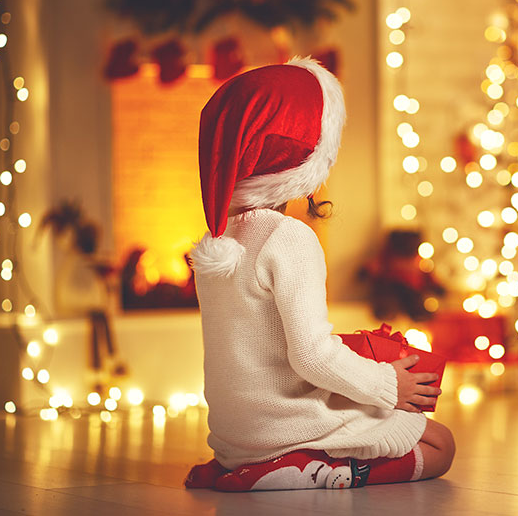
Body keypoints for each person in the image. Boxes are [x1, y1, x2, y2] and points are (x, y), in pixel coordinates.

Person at [183, 58, 454, 491]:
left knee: (398, 423)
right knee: (440, 445)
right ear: (304, 158)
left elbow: (261, 347)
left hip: (235, 435)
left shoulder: (216, 241)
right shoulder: (288, 237)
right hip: (284, 425)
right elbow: (311, 357)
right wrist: (389, 385)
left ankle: (240, 466)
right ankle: (302, 470)